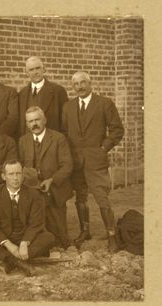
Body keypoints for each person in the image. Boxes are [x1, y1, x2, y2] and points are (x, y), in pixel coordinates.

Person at [62, 71, 124, 252]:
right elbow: (65, 132)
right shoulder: (68, 107)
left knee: (102, 198)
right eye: (76, 84)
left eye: (83, 83)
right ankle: (85, 231)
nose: (80, 87)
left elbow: (117, 130)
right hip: (76, 162)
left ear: (90, 83)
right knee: (80, 198)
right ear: (73, 86)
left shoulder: (104, 104)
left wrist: (103, 148)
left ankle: (112, 237)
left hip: (96, 160)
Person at [0, 160, 55, 276]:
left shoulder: (34, 194)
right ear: (3, 176)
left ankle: (9, 260)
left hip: (26, 237)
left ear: (23, 175)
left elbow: (37, 223)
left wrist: (24, 243)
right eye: (11, 174)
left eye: (18, 173)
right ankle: (20, 262)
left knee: (49, 237)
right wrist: (7, 244)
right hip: (4, 239)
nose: (15, 178)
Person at [18, 106, 73, 248]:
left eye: (37, 119)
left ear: (45, 120)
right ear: (26, 124)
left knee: (61, 238)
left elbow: (67, 166)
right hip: (32, 188)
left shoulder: (58, 138)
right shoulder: (23, 141)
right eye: (31, 121)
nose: (34, 124)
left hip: (54, 188)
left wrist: (52, 180)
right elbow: (21, 166)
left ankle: (59, 240)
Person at [18, 56, 68, 137]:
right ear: (26, 72)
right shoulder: (22, 94)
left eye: (37, 68)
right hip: (28, 142)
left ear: (44, 69)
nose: (35, 72)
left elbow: (65, 122)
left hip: (51, 140)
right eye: (31, 70)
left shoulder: (58, 91)